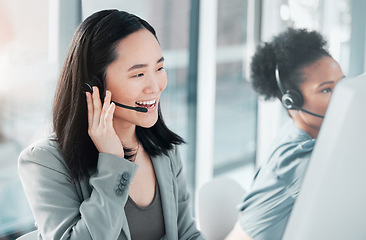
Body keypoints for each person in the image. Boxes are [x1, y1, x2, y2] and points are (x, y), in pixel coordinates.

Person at [18, 9, 205, 240]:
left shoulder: (164, 149)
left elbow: (187, 234)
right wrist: (113, 164)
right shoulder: (44, 162)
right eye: (138, 75)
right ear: (93, 87)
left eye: (159, 68)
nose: (155, 87)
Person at [225, 28, 344, 240]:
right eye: (326, 90)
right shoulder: (299, 157)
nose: (342, 96)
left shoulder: (301, 129)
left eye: (343, 84)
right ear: (293, 102)